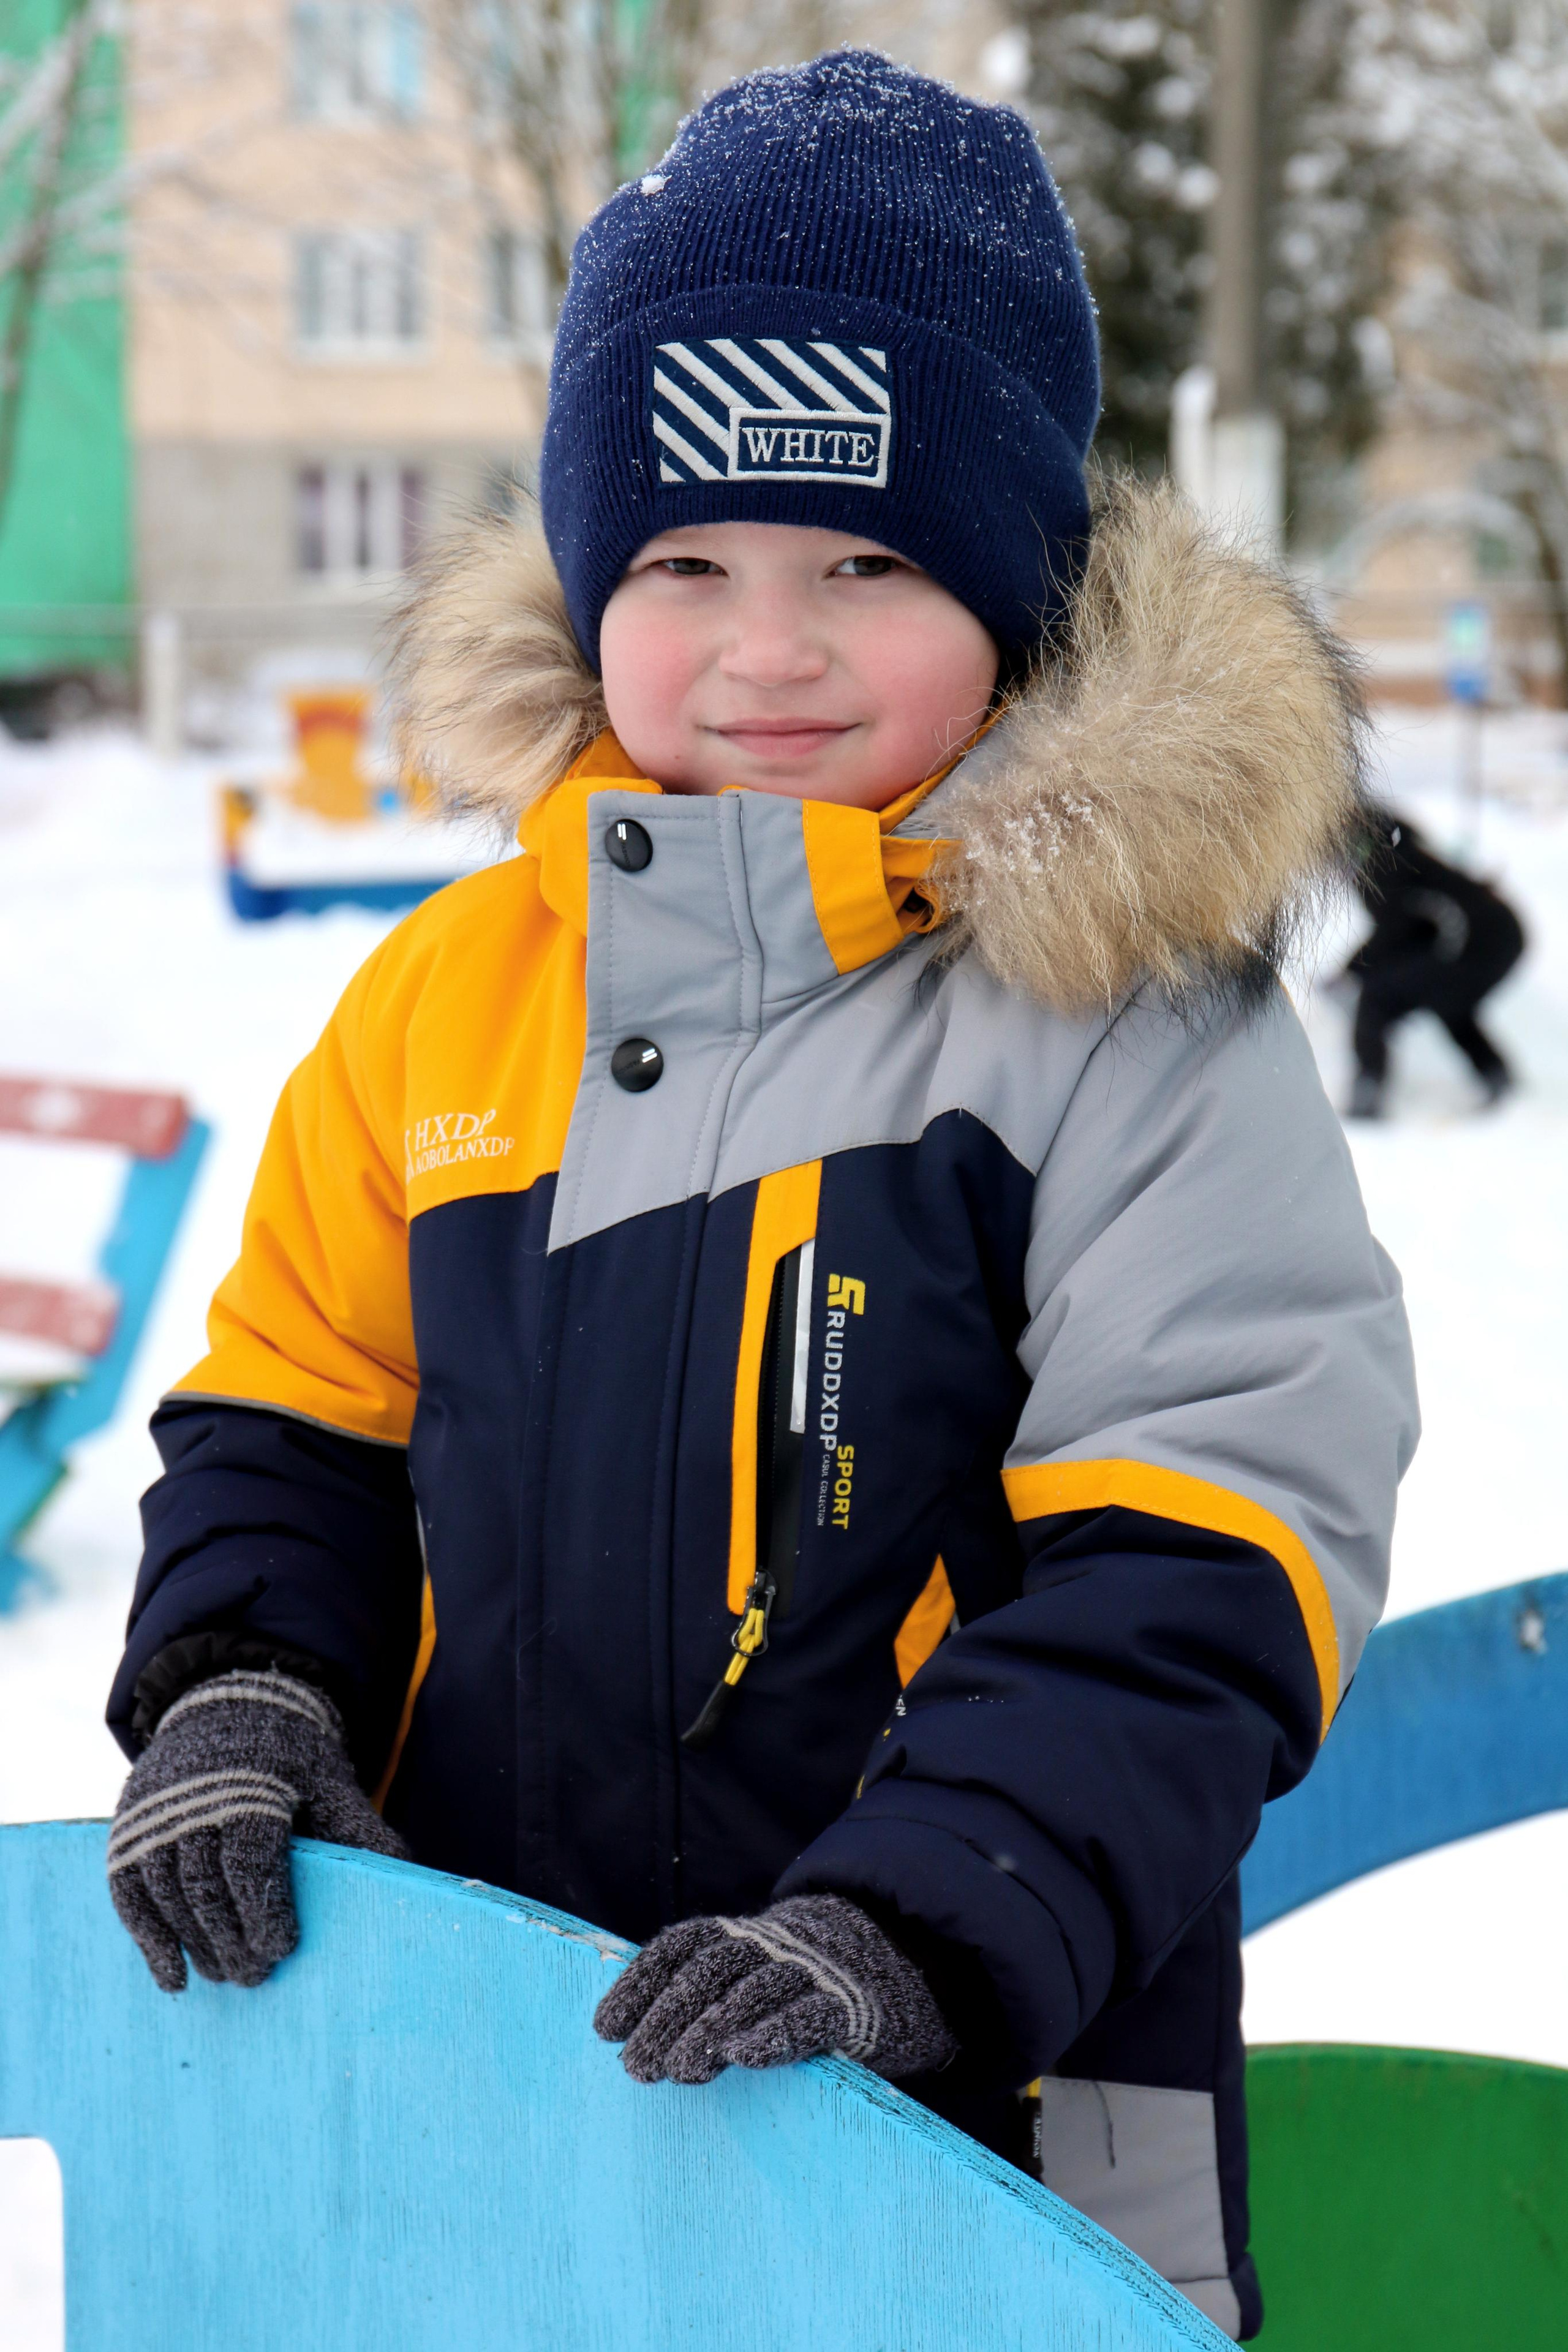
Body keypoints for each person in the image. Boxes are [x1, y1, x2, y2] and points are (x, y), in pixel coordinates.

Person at [102, 53, 1417, 2343]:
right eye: (685, 563)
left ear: (1010, 592)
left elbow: (1202, 1551)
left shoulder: (1119, 1020)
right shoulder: (442, 1005)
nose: (765, 648)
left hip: (988, 2122)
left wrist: (912, 1927)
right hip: (490, 2102)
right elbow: (294, 1418)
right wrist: (242, 1686)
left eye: (864, 564)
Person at [1344, 807, 1525, 1117]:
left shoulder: (1385, 869)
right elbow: (1417, 927)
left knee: (1376, 999)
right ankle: (1497, 1078)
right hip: (1499, 937)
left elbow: (1395, 931)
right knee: (1448, 1000)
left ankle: (1368, 1092)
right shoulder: (1406, 855)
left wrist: (1354, 971)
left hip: (1480, 942)